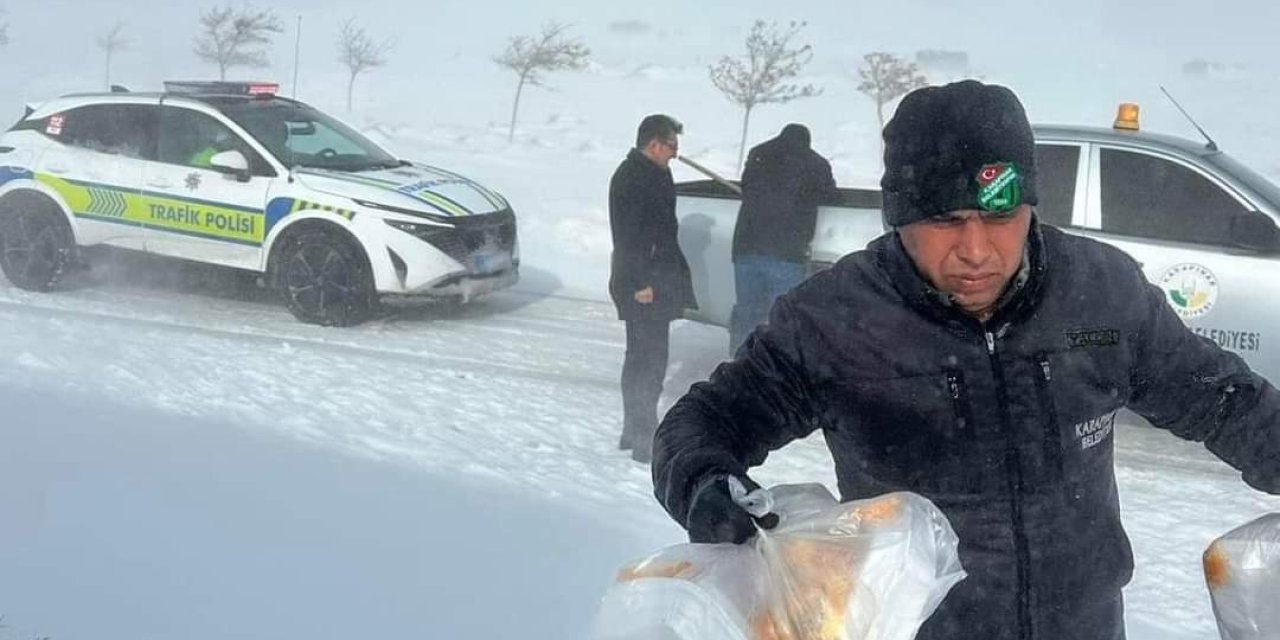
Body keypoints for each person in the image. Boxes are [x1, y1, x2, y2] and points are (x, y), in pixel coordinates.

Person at [650, 80, 1280, 640]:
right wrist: (706, 484)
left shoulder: (1102, 293)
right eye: (946, 221)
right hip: (922, 626)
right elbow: (704, 423)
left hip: (1083, 623)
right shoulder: (835, 319)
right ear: (900, 217)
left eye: (999, 215)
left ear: (1030, 203)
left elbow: (1223, 401)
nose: (977, 249)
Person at [609, 114, 697, 463]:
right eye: (672, 146)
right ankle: (644, 436)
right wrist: (639, 282)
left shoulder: (654, 173)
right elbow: (629, 236)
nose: (675, 154)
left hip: (656, 278)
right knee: (647, 359)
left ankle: (635, 429)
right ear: (654, 144)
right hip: (644, 283)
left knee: (645, 357)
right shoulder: (633, 178)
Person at [729, 123, 838, 353]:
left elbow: (747, 186)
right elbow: (831, 195)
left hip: (747, 248)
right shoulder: (815, 163)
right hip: (787, 253)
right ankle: (773, 368)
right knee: (781, 318)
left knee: (747, 310)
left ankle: (739, 363)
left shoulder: (758, 153)